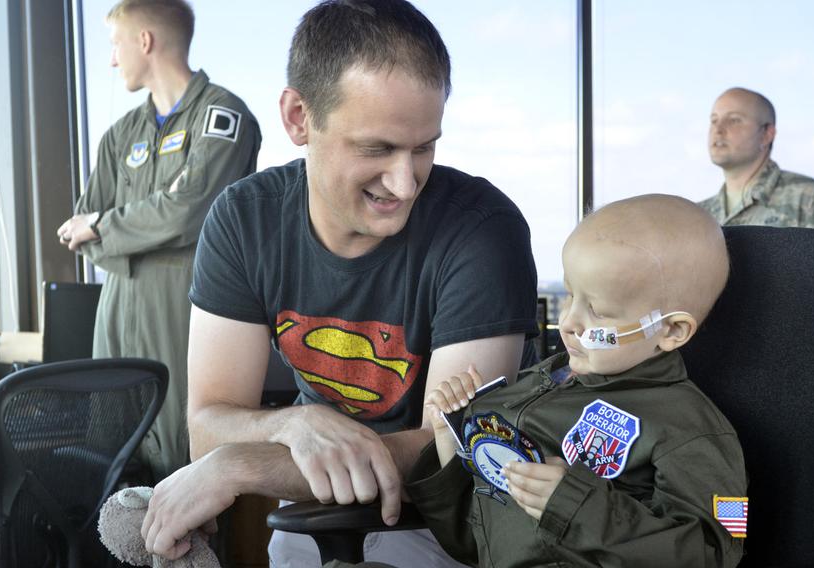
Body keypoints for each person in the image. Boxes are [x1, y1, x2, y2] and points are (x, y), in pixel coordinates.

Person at [139, 0, 538, 565]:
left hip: (446, 520)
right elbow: (207, 426)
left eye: (423, 146)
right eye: (377, 148)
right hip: (310, 505)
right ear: (299, 117)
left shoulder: (482, 231)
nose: (404, 183)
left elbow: (449, 446)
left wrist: (244, 463)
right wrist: (299, 424)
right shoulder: (244, 220)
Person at [412, 194, 747, 567]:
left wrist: (575, 505)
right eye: (570, 295)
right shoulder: (538, 383)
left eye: (598, 312)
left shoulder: (688, 428)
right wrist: (450, 438)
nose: (569, 323)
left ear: (670, 329)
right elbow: (475, 541)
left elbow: (712, 555)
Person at [56, 0, 261, 482]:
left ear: (144, 41)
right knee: (107, 467)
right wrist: (135, 225)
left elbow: (189, 209)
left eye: (115, 45)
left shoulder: (223, 115)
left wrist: (108, 226)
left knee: (184, 469)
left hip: (184, 315)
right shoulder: (119, 136)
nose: (111, 59)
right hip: (115, 317)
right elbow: (80, 230)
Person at [700, 87, 814, 233]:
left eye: (734, 120)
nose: (718, 130)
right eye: (714, 120)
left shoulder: (811, 199)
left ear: (766, 134)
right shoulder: (699, 215)